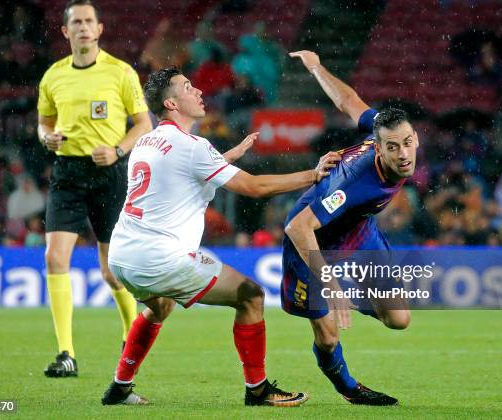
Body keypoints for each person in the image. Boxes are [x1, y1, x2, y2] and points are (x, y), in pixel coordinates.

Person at [100, 66, 340, 406]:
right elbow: (254, 187)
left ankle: (119, 387)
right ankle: (258, 390)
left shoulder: (145, 142)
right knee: (251, 296)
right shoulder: (194, 146)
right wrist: (313, 175)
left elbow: (183, 176)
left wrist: (224, 160)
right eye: (187, 87)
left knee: (158, 306)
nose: (197, 91)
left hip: (123, 257)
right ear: (171, 103)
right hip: (160, 258)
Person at [282, 50, 414, 406]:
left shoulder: (387, 133)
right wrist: (330, 282)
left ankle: (351, 301)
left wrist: (316, 67)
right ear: (380, 150)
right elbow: (298, 226)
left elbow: (347, 100)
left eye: (408, 142)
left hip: (356, 231)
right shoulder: (355, 181)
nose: (404, 154)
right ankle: (349, 389)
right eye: (393, 147)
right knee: (327, 338)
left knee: (399, 319)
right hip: (311, 241)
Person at [37, 0, 153, 378]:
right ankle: (65, 353)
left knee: (111, 272)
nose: (84, 27)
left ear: (100, 30)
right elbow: (43, 123)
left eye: (90, 21)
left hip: (109, 174)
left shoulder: (120, 73)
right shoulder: (53, 76)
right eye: (77, 22)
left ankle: (129, 335)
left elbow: (144, 126)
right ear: (65, 31)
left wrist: (118, 149)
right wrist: (47, 137)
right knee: (55, 259)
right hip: (67, 171)